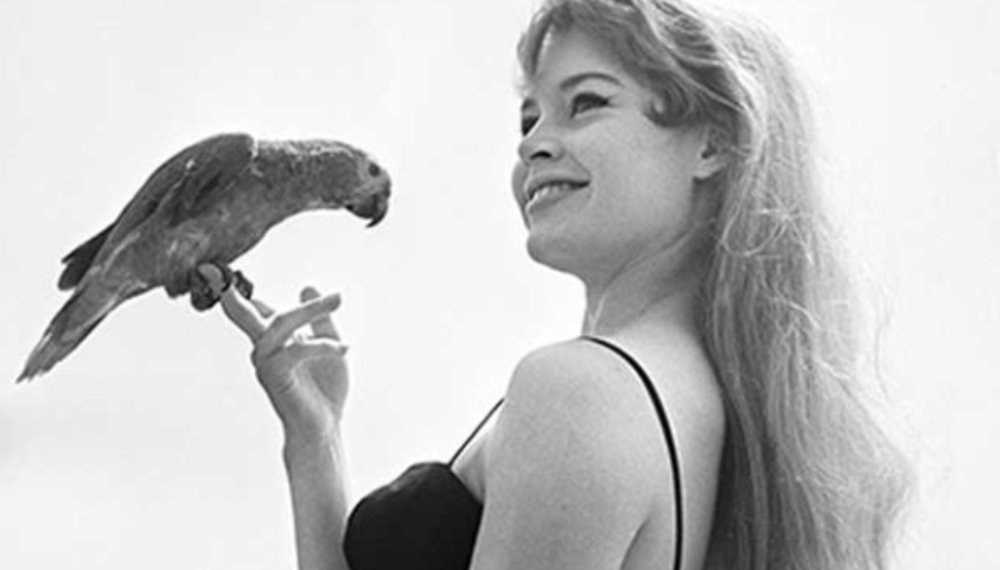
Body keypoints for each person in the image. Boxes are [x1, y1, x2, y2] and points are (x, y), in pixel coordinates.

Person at [197, 0, 911, 569]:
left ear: (714, 142)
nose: (532, 143)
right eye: (529, 116)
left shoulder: (582, 390)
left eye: (586, 102)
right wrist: (315, 440)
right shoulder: (701, 398)